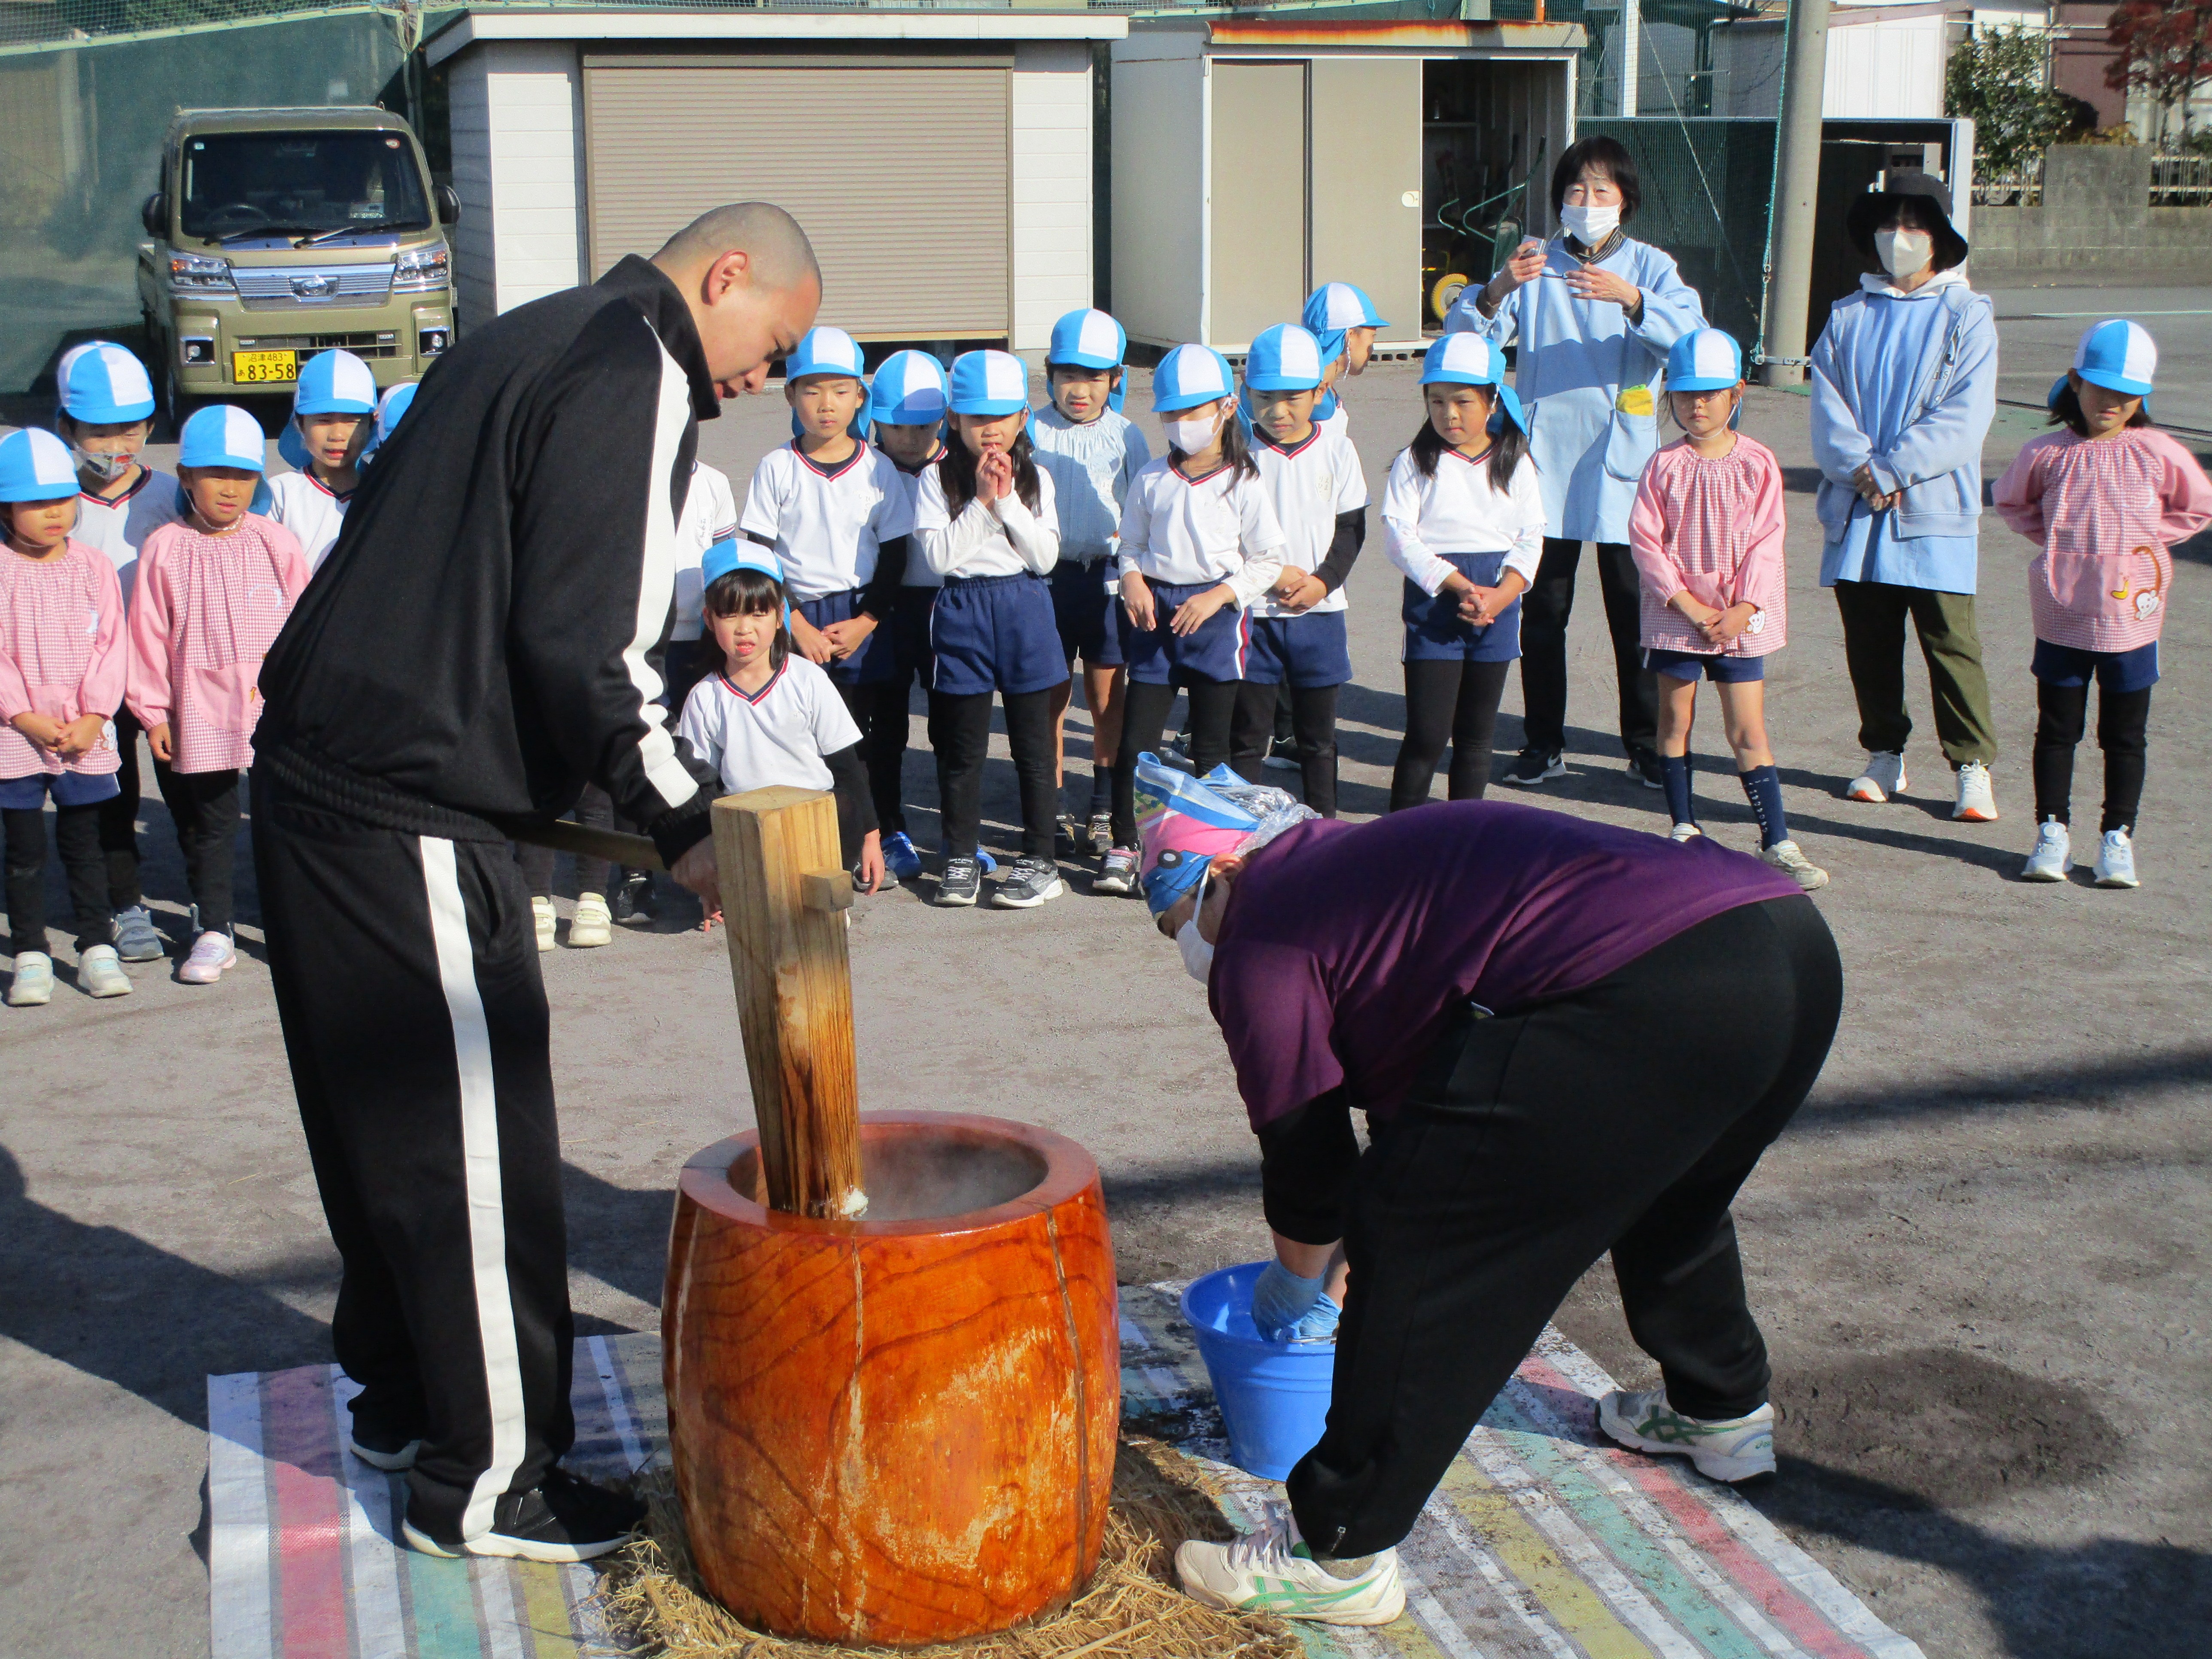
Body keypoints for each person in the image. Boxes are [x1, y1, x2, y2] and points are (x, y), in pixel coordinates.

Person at [251, 202, 822, 1562]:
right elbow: (588, 644)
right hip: (406, 803)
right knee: (475, 1153)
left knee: (387, 1137)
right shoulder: (633, 365)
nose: (769, 376)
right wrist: (683, 819)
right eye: (776, 342)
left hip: (321, 776)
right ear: (726, 276)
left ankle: (406, 1405)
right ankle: (490, 1478)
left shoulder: (533, 332)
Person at [1132, 764, 1840, 1626]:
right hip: (1780, 944)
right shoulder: (1359, 877)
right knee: (1670, 1195)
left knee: (1421, 1253)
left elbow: (1305, 1154)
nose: (1191, 944)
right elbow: (1426, 1126)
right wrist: (1349, 1265)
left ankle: (1338, 1550)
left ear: (1225, 871)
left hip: (1649, 982)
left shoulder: (1262, 927)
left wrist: (1299, 1281)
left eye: (1183, 917)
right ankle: (1717, 1408)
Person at [1447, 134, 1706, 791]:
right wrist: (1498, 287)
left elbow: (1693, 341)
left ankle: (1645, 744)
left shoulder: (1651, 266)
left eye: (1601, 191)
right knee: (1543, 609)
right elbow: (1465, 344)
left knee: (1634, 608)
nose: (1586, 202)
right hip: (1547, 463)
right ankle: (1543, 742)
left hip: (1623, 460)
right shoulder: (1536, 263)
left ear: (1625, 200)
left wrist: (1633, 300)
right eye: (1575, 190)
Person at [1808, 173, 2001, 822]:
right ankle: (1884, 754)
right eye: (1889, 225)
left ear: (1940, 238)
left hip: (1933, 507)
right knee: (1869, 639)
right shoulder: (1847, 315)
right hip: (1861, 506)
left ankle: (1971, 765)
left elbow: (1966, 416)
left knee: (1950, 639)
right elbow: (1827, 407)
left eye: (1915, 225)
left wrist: (1893, 470)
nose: (1900, 237)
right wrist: (1860, 469)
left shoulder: (1967, 314)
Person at [1993, 320, 2212, 889]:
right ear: (2075, 382)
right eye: (2099, 388)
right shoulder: (2047, 453)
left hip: (2132, 618)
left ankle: (2118, 837)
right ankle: (2051, 832)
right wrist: (2059, 544)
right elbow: (2012, 503)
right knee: (2057, 728)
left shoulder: (2156, 451)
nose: (2111, 403)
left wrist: (2142, 546)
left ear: (2142, 398)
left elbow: (2197, 507)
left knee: (2125, 734)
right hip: (2062, 612)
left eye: (2126, 393)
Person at [1630, 329, 1827, 890]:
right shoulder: (1662, 465)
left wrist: (1744, 607)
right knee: (1675, 723)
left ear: (1737, 392)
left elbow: (1768, 539)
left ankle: (1776, 840)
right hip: (1677, 617)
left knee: (1748, 730)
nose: (1697, 405)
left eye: (1710, 393)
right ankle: (1684, 829)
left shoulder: (1758, 462)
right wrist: (1688, 605)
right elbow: (1645, 541)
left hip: (1741, 620)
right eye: (1685, 393)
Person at [128, 405, 310, 987]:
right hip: (198, 705)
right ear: (185, 476)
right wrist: (154, 712)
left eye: (243, 476)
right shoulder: (165, 547)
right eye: (215, 474)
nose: (230, 489)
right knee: (212, 823)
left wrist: (309, 702)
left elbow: (305, 624)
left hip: (272, 707)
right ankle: (213, 928)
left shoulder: (276, 543)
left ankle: (294, 925)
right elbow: (147, 634)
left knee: (281, 819)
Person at [1104, 345, 1285, 896]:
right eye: (1171, 413)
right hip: (1155, 619)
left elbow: (1268, 559)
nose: (1182, 422)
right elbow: (1130, 545)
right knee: (1137, 746)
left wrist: (1219, 597)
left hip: (1215, 621)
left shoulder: (1245, 481)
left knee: (1211, 750)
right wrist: (1133, 580)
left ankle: (1210, 851)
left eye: (1194, 410)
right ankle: (1124, 845)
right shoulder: (1151, 478)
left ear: (1227, 407)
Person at [912, 349, 1066, 910]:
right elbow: (938, 558)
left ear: (1023, 417)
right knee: (963, 749)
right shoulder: (935, 478)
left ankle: (1041, 861)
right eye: (977, 417)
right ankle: (960, 856)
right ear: (954, 419)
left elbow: (1045, 557)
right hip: (962, 609)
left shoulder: (1037, 478)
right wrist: (980, 502)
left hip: (1025, 606)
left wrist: (1008, 502)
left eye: (1002, 416)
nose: (991, 429)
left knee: (1033, 748)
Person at [0, 428, 133, 1006]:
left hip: (84, 731)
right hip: (14, 734)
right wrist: (22, 715)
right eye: (34, 503)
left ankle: (96, 946)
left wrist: (96, 714)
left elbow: (112, 644)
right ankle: (30, 953)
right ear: (5, 508)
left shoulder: (94, 566)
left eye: (61, 499)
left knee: (85, 845)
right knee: (24, 853)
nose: (53, 513)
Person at [1382, 334, 1543, 811]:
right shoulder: (1415, 461)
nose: (1449, 414)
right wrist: (1457, 584)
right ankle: (1401, 835)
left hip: (1496, 607)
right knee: (1427, 735)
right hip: (1435, 606)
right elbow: (1399, 537)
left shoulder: (1515, 462)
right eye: (1437, 401)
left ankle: (1464, 834)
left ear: (1492, 400)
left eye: (1462, 402)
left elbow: (1531, 536)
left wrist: (1502, 594)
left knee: (1476, 738)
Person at [54, 340, 176, 965]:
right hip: (85, 681)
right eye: (98, 433)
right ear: (66, 429)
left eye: (130, 429)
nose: (116, 445)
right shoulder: (50, 504)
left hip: (162, 673)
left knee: (188, 787)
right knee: (112, 791)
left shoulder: (174, 494)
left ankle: (208, 903)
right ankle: (124, 904)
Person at [678, 539, 882, 895]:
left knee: (815, 910)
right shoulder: (704, 697)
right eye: (730, 614)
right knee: (759, 915)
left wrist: (871, 839)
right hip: (745, 828)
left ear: (780, 616)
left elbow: (847, 765)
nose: (745, 628)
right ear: (709, 619)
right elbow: (701, 788)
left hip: (816, 822)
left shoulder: (808, 680)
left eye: (758, 613)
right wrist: (707, 874)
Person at [739, 325, 912, 729]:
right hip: (794, 612)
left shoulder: (879, 468)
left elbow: (895, 556)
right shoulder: (777, 467)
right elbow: (761, 556)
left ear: (860, 397)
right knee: (799, 732)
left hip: (860, 614)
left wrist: (866, 622)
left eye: (840, 391)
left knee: (865, 735)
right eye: (812, 391)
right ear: (790, 395)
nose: (826, 405)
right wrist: (796, 625)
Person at [1231, 323, 1365, 818]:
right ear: (1246, 392)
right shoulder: (1234, 452)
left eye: (1293, 398)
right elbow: (1222, 533)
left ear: (1319, 392)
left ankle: (1323, 831)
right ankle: (1243, 837)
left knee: (1317, 739)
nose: (1278, 411)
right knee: (1248, 736)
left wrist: (1321, 582)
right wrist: (1270, 574)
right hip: (1252, 616)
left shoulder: (1337, 449)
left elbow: (1351, 530)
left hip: (1319, 614)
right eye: (1265, 398)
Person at [1031, 308, 1149, 856]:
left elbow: (1144, 508)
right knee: (1049, 699)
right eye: (1068, 375)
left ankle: (1103, 806)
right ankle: (1052, 804)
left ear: (1116, 379)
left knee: (1106, 699)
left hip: (1106, 579)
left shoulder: (1127, 436)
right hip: (1046, 579)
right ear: (1049, 374)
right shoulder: (1030, 429)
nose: (1079, 390)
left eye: (1095, 377)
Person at [862, 349, 951, 887]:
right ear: (876, 420)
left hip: (946, 607)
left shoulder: (957, 464)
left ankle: (957, 833)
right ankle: (889, 828)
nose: (910, 438)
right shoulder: (866, 467)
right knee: (887, 727)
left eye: (923, 426)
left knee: (951, 726)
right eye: (897, 427)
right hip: (886, 608)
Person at [267, 349, 377, 571]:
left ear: (372, 423)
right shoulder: (280, 494)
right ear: (299, 423)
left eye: (352, 421)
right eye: (324, 420)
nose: (337, 435)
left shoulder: (383, 488)